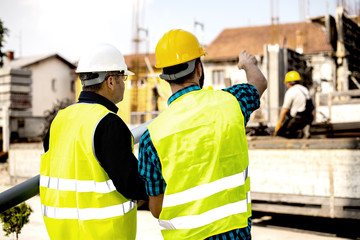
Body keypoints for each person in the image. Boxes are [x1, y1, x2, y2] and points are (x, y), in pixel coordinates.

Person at [138, 29, 267, 240]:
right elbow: (259, 83)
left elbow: (156, 209)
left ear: (164, 77)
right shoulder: (232, 102)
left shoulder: (150, 137)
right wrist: (248, 63)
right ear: (199, 67)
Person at [39, 43, 148, 240]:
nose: (125, 83)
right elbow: (133, 185)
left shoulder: (59, 120)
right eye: (123, 77)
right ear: (110, 81)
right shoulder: (108, 123)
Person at [274, 70, 314, 138]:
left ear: (289, 83)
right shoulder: (304, 89)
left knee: (284, 133)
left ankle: (299, 134)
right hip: (309, 117)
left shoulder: (291, 91)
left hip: (298, 118)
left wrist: (279, 123)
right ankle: (304, 129)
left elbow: (284, 110)